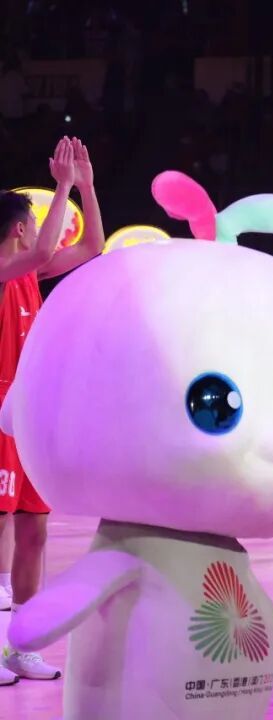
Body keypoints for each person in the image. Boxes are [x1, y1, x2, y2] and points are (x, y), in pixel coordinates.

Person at [0, 137, 106, 686]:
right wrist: (61, 183)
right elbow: (44, 253)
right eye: (36, 219)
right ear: (20, 227)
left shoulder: (28, 274)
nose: (43, 226)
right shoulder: (4, 268)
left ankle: (22, 647)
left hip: (26, 419)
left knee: (34, 532)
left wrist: (86, 186)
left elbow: (92, 248)